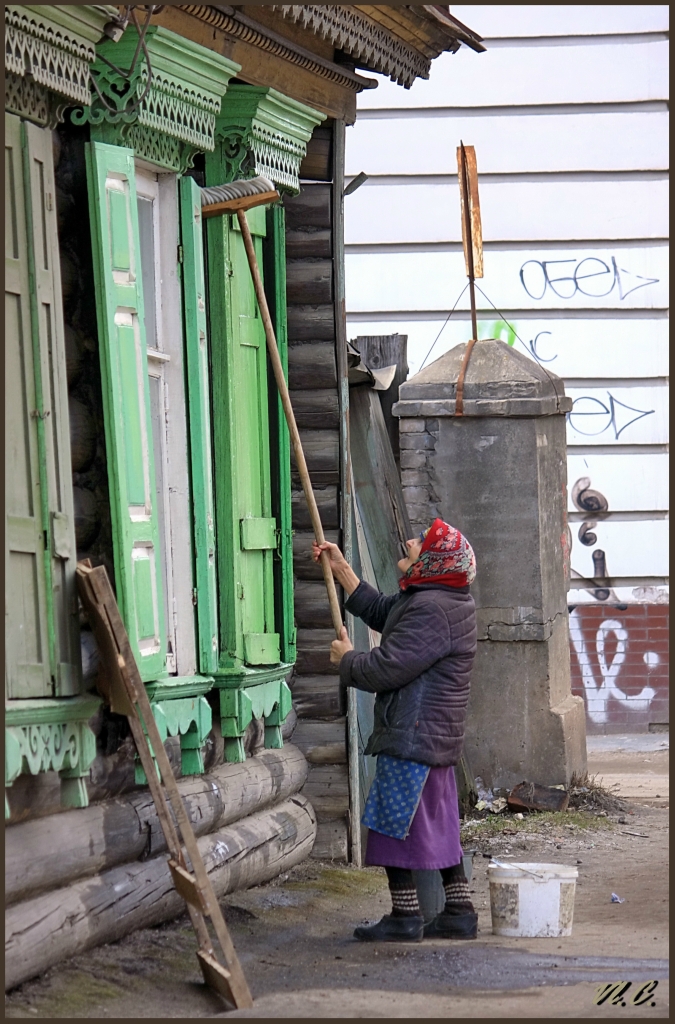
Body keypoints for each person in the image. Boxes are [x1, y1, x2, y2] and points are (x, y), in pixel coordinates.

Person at [312, 518, 478, 943]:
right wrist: (344, 571)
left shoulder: (433, 609)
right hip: (429, 736)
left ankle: (405, 917)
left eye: (421, 541)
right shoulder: (436, 599)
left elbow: (388, 668)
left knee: (392, 822)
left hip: (414, 735)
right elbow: (386, 613)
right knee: (435, 824)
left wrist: (347, 659)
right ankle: (458, 910)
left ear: (436, 560)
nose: (409, 540)